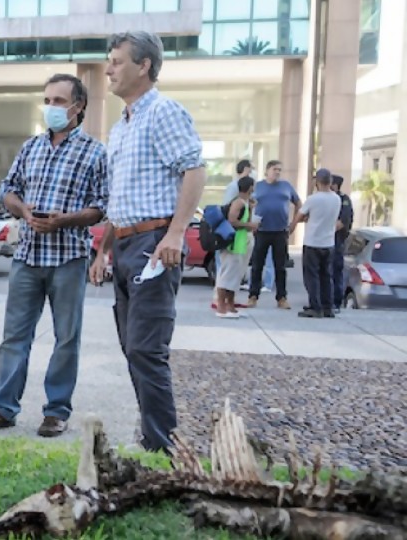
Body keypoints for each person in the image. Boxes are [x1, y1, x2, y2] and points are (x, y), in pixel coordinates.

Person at [0, 74, 109, 438]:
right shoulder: (31, 146)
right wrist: (23, 211)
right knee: (14, 337)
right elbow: (8, 190)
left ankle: (56, 411)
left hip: (68, 257)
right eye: (47, 100)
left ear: (78, 107)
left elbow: (102, 207)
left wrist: (65, 220)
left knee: (66, 338)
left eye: (59, 101)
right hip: (28, 256)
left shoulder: (95, 152)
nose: (50, 107)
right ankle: (3, 408)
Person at [89, 31, 206, 453]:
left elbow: (195, 170)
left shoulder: (163, 112)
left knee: (146, 348)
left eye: (117, 61)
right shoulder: (121, 127)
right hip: (122, 244)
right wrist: (103, 249)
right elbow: (120, 198)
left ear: (144, 66)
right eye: (109, 60)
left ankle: (163, 447)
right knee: (131, 348)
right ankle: (152, 436)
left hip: (154, 243)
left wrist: (175, 234)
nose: (108, 69)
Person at [246, 160, 301, 309]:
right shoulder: (258, 186)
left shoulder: (286, 186)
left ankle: (281, 297)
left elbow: (298, 204)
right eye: (275, 169)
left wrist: (294, 224)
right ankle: (253, 296)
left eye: (279, 170)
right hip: (261, 231)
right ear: (267, 170)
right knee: (257, 265)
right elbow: (247, 203)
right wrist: (250, 223)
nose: (277, 172)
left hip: (281, 231)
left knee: (280, 266)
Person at [290, 168, 342, 318]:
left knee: (311, 276)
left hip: (313, 241)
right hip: (329, 242)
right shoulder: (336, 199)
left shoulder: (313, 199)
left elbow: (300, 215)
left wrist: (292, 226)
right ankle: (328, 307)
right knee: (326, 276)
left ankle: (315, 306)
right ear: (330, 181)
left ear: (317, 182)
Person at [215, 176, 257, 318]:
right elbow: (232, 220)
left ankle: (230, 305)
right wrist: (250, 225)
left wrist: (250, 209)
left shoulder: (245, 203)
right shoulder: (238, 202)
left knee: (235, 276)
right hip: (233, 244)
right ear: (250, 187)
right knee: (227, 275)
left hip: (240, 244)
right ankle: (221, 306)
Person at [330, 174, 354, 311]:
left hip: (337, 240)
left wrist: (326, 231)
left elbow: (343, 221)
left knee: (335, 271)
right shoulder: (326, 198)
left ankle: (336, 301)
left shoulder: (343, 199)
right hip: (325, 240)